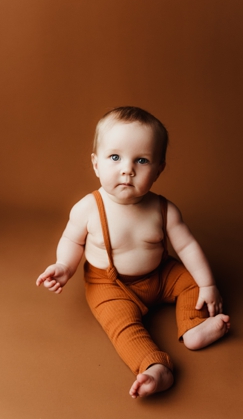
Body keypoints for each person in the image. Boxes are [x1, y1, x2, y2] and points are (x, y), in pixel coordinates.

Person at [36, 106, 230, 398]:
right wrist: (64, 266)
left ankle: (193, 326)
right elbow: (72, 240)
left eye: (141, 160)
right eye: (115, 157)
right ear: (96, 163)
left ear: (159, 168)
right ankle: (153, 367)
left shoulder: (164, 209)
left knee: (191, 282)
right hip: (108, 285)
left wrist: (208, 284)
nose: (127, 169)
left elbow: (187, 246)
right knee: (122, 327)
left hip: (160, 275)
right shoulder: (88, 208)